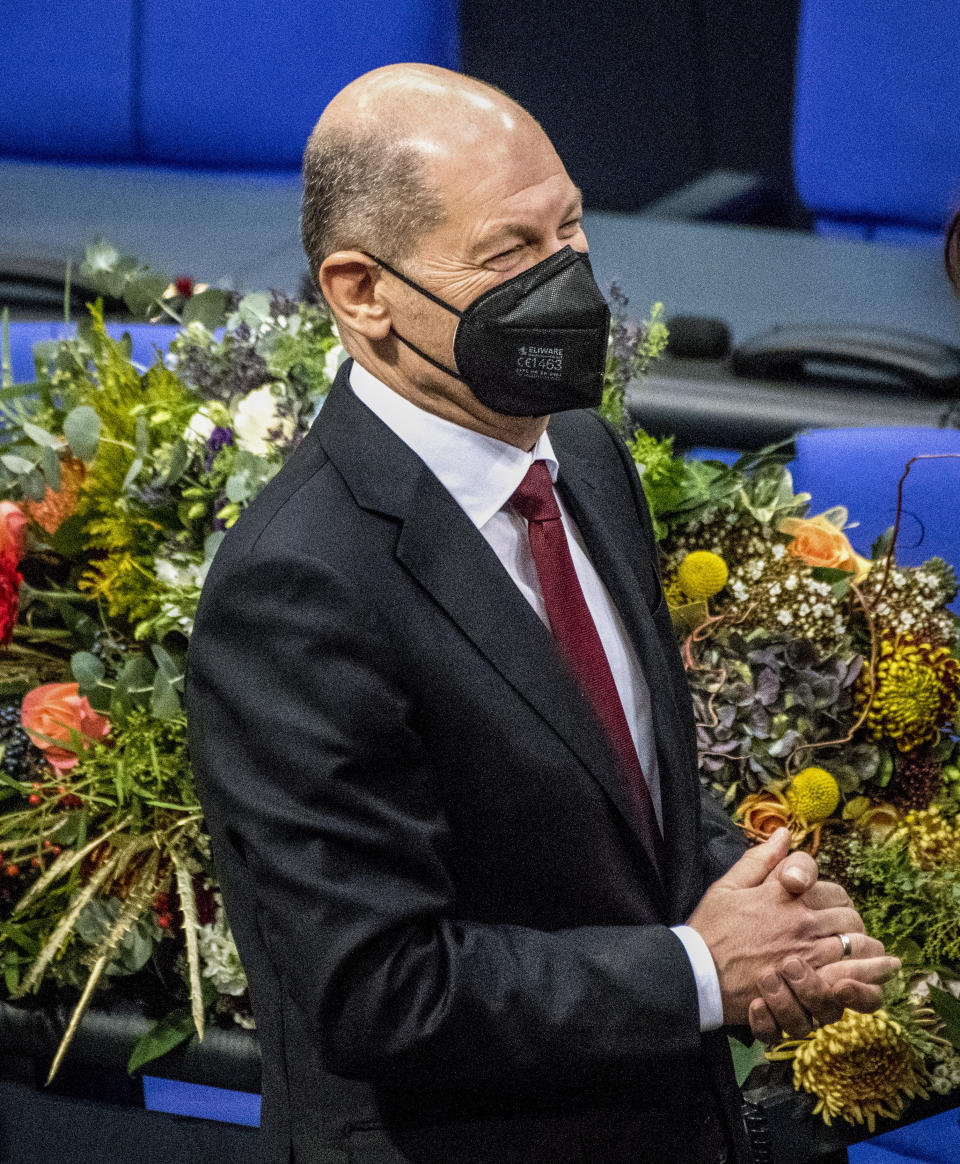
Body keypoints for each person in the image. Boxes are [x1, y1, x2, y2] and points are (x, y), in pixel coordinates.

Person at [186, 65, 897, 1164]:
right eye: (511, 254)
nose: (568, 280)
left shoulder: (587, 455)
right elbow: (383, 988)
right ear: (361, 292)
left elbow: (617, 796)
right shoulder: (299, 586)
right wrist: (703, 970)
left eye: (571, 229)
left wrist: (768, 906)